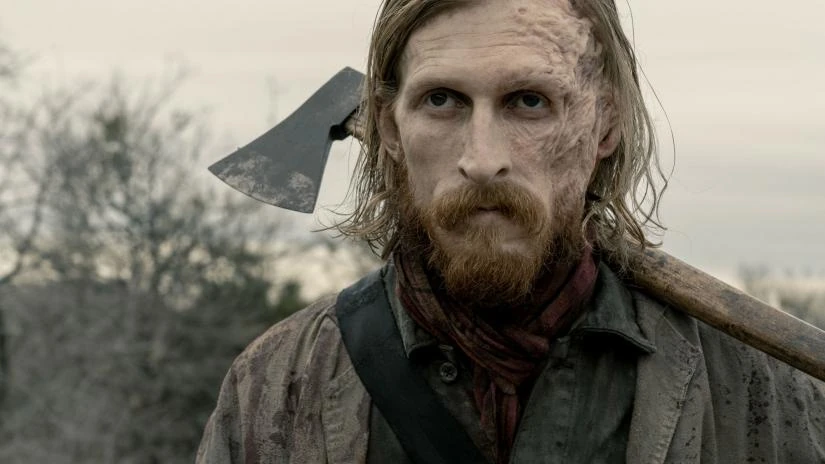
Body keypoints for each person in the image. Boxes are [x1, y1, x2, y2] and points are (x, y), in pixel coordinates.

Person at [197, 0, 825, 463]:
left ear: (605, 126)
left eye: (529, 102)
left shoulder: (762, 396)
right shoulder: (279, 387)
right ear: (388, 127)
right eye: (441, 100)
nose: (482, 159)